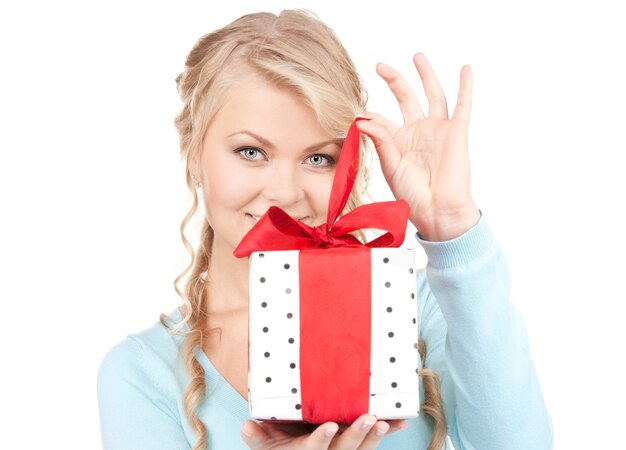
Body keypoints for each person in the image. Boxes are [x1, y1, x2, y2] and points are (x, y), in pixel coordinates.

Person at [97, 9, 552, 450]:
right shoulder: (143, 373)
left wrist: (451, 228)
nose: (286, 193)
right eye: (251, 151)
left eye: (319, 158)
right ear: (194, 154)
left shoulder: (420, 310)